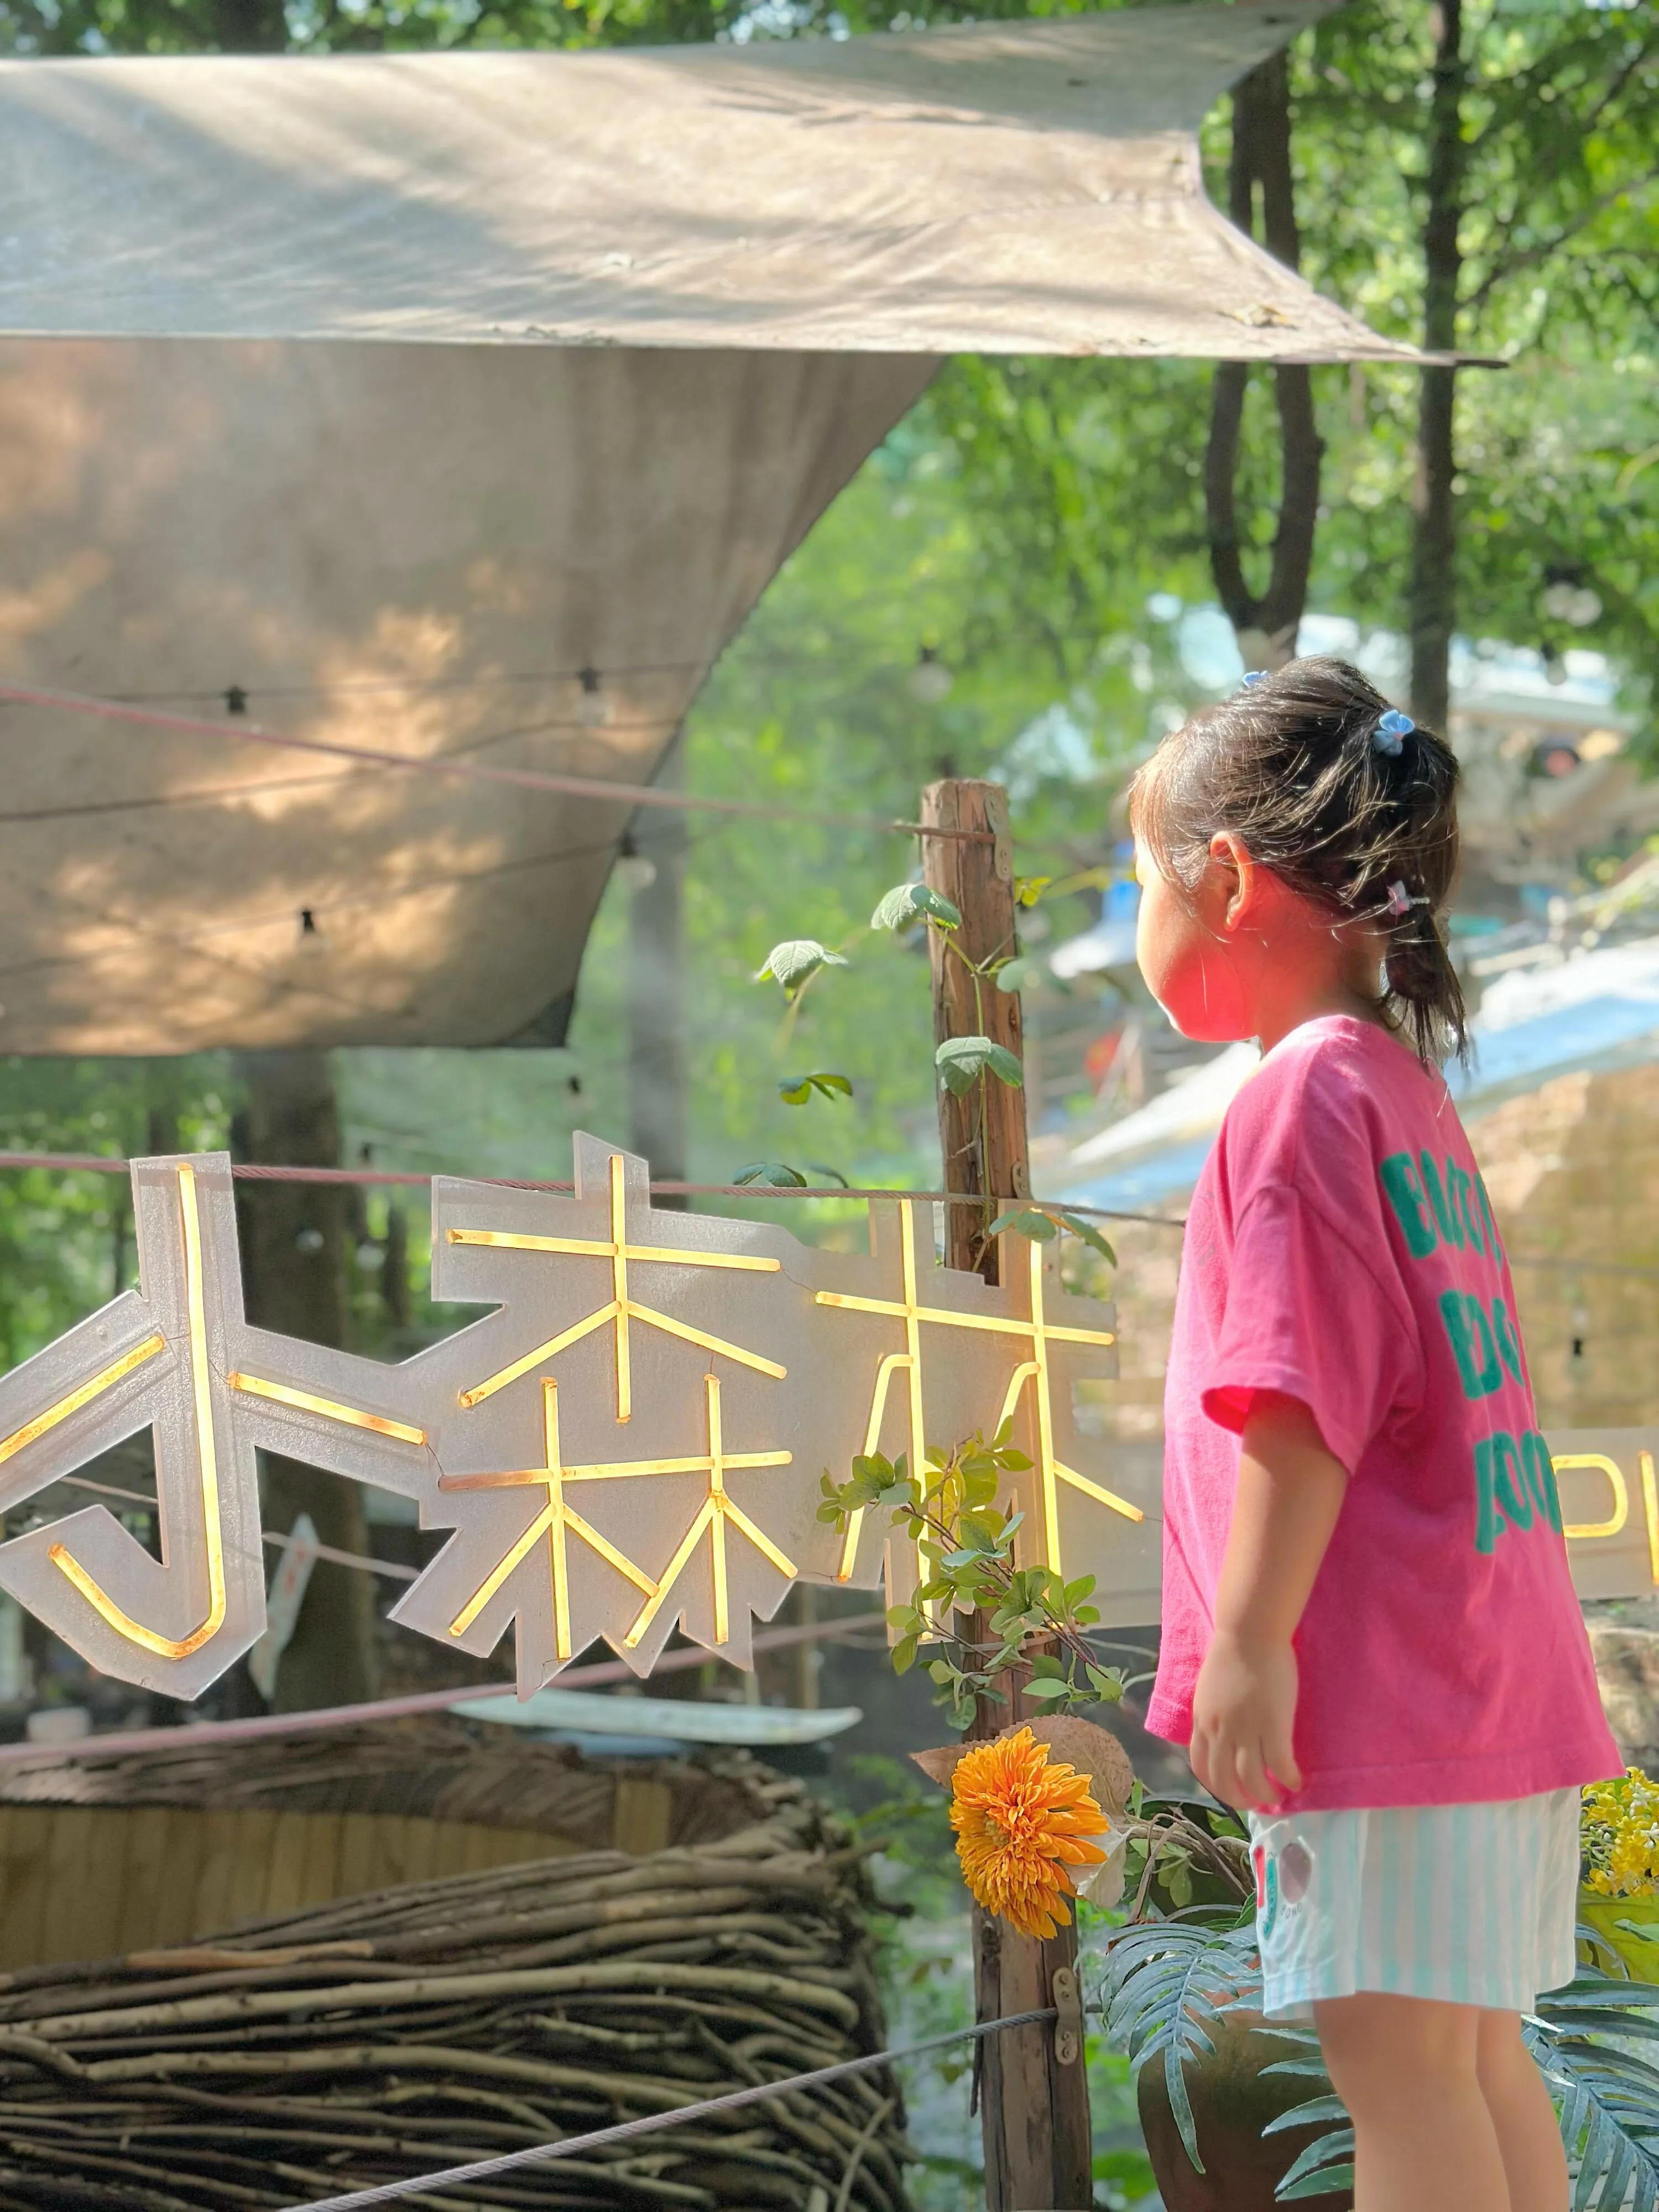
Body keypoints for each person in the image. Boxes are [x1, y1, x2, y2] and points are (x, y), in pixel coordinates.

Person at [1132, 657, 1618, 2212]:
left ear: (1225, 881)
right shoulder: (1399, 1089)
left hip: (1387, 1691)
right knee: (1471, 2061)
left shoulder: (1294, 1102)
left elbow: (1300, 1400)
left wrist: (1248, 1644)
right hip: (1485, 1675)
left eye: (1138, 879)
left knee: (1399, 2076)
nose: (1137, 916)